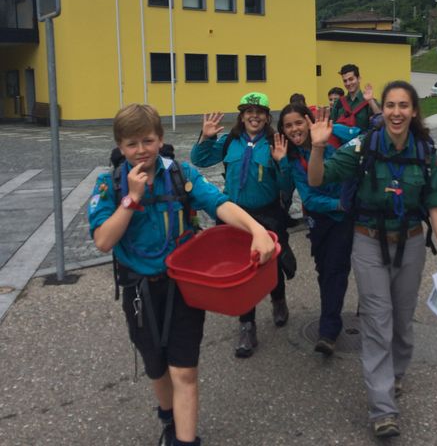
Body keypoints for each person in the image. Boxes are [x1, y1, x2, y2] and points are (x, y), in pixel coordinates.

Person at [88, 104, 274, 446]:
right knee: (157, 367)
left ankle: (185, 441)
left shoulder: (180, 174)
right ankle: (168, 419)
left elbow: (219, 203)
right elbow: (103, 241)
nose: (141, 150)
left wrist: (256, 229)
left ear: (160, 139)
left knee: (184, 370)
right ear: (120, 146)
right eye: (131, 144)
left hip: (184, 288)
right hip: (140, 291)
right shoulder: (109, 184)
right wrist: (131, 199)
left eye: (148, 140)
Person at [307, 80, 437, 439]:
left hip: (411, 242)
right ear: (384, 109)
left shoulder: (425, 151)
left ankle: (396, 374)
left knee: (402, 321)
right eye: (390, 105)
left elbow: (436, 203)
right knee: (378, 320)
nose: (396, 112)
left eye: (403, 105)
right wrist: (317, 146)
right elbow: (317, 178)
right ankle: (383, 408)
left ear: (414, 110)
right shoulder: (363, 146)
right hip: (368, 242)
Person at [190, 92, 294, 358]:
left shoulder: (274, 143)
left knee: (272, 265)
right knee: (243, 271)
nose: (254, 116)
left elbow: (286, 186)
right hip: (235, 216)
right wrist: (206, 137)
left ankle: (278, 299)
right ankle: (247, 326)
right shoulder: (229, 142)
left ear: (267, 117)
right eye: (249, 111)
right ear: (242, 116)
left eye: (259, 112)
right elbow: (199, 160)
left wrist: (282, 162)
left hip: (267, 215)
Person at [274, 103, 353, 356]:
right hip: (322, 219)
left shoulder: (334, 133)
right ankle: (331, 316)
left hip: (348, 216)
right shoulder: (294, 158)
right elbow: (307, 197)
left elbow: (363, 138)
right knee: (325, 270)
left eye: (298, 122)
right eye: (288, 126)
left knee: (338, 269)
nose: (294, 129)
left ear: (309, 122)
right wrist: (339, 204)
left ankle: (328, 331)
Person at [330, 63, 381, 132]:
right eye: (345, 81)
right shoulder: (338, 102)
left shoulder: (369, 101)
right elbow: (332, 126)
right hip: (341, 138)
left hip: (363, 138)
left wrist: (371, 101)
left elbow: (381, 121)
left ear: (359, 79)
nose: (348, 83)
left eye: (351, 79)